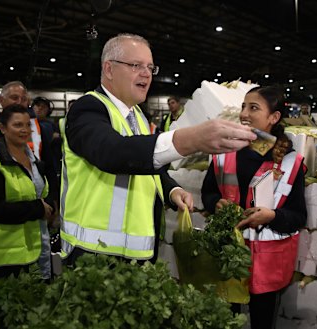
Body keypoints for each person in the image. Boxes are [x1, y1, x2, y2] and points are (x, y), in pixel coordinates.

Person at [61, 33, 255, 264]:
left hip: (135, 253)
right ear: (109, 69)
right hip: (94, 253)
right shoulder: (88, 108)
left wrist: (172, 190)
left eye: (150, 67)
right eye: (136, 66)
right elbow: (112, 153)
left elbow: (144, 165)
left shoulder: (138, 116)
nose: (146, 73)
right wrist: (189, 140)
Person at [201, 85, 307, 329]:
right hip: (228, 254)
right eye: (243, 107)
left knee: (262, 320)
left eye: (253, 108)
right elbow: (208, 191)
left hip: (266, 260)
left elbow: (298, 215)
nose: (244, 114)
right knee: (227, 318)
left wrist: (272, 216)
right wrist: (214, 203)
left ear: (274, 117)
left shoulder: (290, 162)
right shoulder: (224, 152)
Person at [0, 104, 56, 280]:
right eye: (18, 125)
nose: (25, 130)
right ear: (3, 128)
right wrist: (37, 209)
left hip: (35, 247)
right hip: (6, 256)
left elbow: (40, 193)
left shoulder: (33, 160)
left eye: (28, 125)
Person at [0, 81, 57, 231]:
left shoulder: (37, 130)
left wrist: (52, 201)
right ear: (1, 100)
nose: (19, 102)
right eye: (14, 97)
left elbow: (50, 169)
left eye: (24, 99)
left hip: (35, 214)